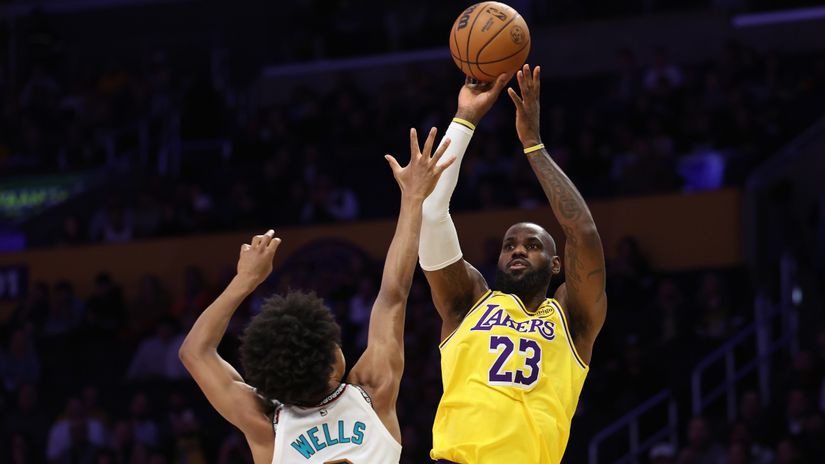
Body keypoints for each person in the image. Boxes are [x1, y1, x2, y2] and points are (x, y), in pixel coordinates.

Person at [178, 127, 454, 463]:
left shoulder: (268, 427)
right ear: (331, 369)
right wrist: (412, 199)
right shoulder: (372, 390)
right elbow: (393, 294)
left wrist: (245, 280)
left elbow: (195, 352)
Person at [421, 65, 607, 463]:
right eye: (509, 245)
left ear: (556, 265)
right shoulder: (467, 301)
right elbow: (432, 213)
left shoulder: (572, 319)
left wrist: (533, 145)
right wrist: (466, 117)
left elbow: (584, 234)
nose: (518, 250)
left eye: (532, 245)